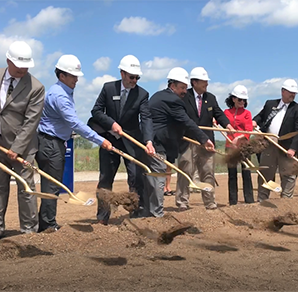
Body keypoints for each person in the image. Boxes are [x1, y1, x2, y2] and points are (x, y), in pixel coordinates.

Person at [0, 41, 45, 244]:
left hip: (24, 147)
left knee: (25, 187)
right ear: (8, 61)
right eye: (19, 66)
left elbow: (31, 121)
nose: (23, 70)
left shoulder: (36, 87)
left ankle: (29, 230)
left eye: (26, 67)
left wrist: (17, 149)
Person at [36, 55, 112, 232]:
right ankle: (47, 225)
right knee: (51, 185)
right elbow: (75, 124)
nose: (76, 79)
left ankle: (47, 223)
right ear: (62, 76)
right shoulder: (59, 96)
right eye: (73, 76)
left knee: (53, 184)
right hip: (50, 143)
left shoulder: (62, 92)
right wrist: (100, 140)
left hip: (54, 142)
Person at [89, 55, 154, 225]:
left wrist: (148, 141)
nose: (134, 80)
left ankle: (137, 214)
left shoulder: (142, 94)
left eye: (137, 77)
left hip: (131, 141)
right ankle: (102, 217)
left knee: (136, 177)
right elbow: (96, 111)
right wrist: (111, 124)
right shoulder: (108, 88)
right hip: (109, 140)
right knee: (105, 178)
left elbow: (146, 118)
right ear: (122, 73)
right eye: (131, 77)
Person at [145, 67, 215, 217]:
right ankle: (156, 214)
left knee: (154, 178)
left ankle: (149, 210)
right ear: (173, 86)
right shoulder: (173, 101)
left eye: (186, 88)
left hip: (152, 140)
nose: (184, 91)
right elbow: (186, 121)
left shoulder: (158, 95)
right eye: (182, 88)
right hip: (158, 143)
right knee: (159, 179)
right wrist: (204, 139)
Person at [176, 67, 233, 211]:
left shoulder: (210, 98)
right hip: (188, 140)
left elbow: (218, 113)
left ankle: (210, 202)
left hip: (207, 142)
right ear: (194, 82)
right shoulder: (184, 96)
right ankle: (182, 202)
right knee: (186, 170)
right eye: (203, 81)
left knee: (207, 172)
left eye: (207, 81)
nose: (206, 84)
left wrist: (227, 125)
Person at [252, 79, 298, 201]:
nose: (293, 95)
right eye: (290, 92)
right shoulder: (270, 104)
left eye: (294, 93)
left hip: (286, 148)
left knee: (288, 176)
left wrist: (293, 148)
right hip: (269, 144)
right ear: (283, 91)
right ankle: (262, 201)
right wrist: (254, 121)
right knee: (265, 173)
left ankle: (285, 202)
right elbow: (261, 116)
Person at [223, 85, 254, 205]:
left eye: (244, 100)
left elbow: (248, 130)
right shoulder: (226, 112)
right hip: (230, 147)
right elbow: (220, 121)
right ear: (233, 99)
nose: (242, 102)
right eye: (240, 99)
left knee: (246, 173)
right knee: (232, 174)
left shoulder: (247, 113)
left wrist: (239, 138)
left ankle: (249, 201)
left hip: (244, 147)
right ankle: (233, 202)